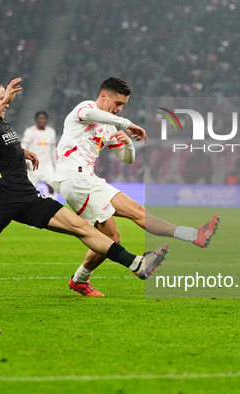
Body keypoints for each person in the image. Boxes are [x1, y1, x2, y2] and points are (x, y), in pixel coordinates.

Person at [0, 76, 167, 305]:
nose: (7, 102)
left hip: (27, 194)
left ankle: (137, 265)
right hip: (0, 197)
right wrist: (4, 103)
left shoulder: (0, 121)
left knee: (85, 229)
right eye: (1, 97)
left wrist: (23, 151)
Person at [51, 77, 220, 297]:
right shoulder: (86, 108)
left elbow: (127, 159)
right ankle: (81, 279)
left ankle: (194, 235)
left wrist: (129, 142)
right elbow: (92, 115)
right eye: (118, 104)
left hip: (91, 179)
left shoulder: (109, 124)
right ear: (104, 95)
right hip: (74, 180)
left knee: (140, 212)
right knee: (112, 238)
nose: (119, 109)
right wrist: (127, 123)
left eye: (123, 106)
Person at [21, 111, 57, 197]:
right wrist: (25, 162)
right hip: (33, 165)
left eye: (44, 118)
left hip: (47, 165)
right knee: (29, 189)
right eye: (40, 118)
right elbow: (23, 147)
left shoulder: (51, 132)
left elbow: (52, 150)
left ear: (47, 120)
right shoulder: (30, 131)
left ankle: (51, 207)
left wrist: (55, 164)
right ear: (36, 119)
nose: (42, 120)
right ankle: (29, 207)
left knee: (51, 187)